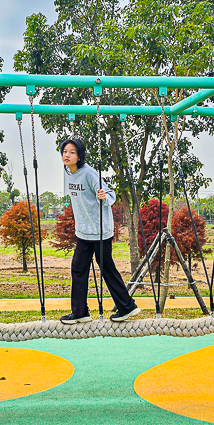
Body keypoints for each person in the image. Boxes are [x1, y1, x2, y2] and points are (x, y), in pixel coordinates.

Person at [59, 137, 140, 324]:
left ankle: (127, 307)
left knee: (106, 268)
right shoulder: (68, 172)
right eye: (65, 152)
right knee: (78, 269)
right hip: (83, 232)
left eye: (72, 152)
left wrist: (103, 195)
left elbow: (110, 194)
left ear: (79, 156)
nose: (67, 155)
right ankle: (80, 312)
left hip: (100, 230)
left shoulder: (89, 173)